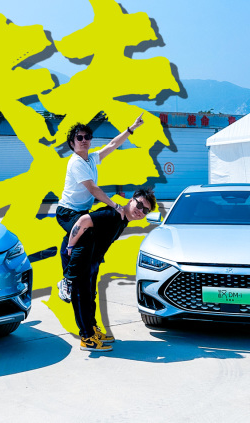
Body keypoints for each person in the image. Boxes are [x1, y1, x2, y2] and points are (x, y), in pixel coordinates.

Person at [56, 113, 144, 303]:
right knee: (85, 236)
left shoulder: (91, 159)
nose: (84, 140)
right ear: (72, 143)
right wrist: (115, 205)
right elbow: (93, 189)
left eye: (87, 137)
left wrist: (131, 128)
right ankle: (67, 280)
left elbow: (112, 144)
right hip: (67, 211)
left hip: (81, 212)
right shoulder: (76, 163)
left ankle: (83, 277)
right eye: (79, 137)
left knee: (78, 239)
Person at [65, 188, 156, 352]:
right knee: (81, 296)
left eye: (145, 210)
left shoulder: (122, 219)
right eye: (139, 205)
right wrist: (70, 246)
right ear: (131, 200)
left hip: (91, 259)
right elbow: (83, 221)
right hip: (79, 256)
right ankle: (87, 338)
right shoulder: (113, 214)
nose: (140, 211)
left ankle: (92, 329)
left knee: (90, 295)